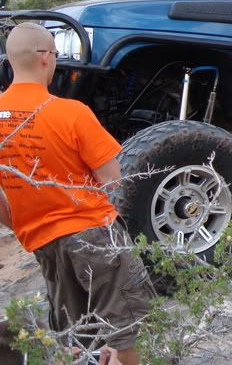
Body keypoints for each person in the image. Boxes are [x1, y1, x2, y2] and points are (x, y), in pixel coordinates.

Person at [0, 22, 154, 365]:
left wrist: (24, 225)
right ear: (45, 58)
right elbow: (112, 180)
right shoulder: (71, 112)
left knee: (76, 334)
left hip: (43, 242)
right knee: (129, 329)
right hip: (93, 234)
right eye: (56, 54)